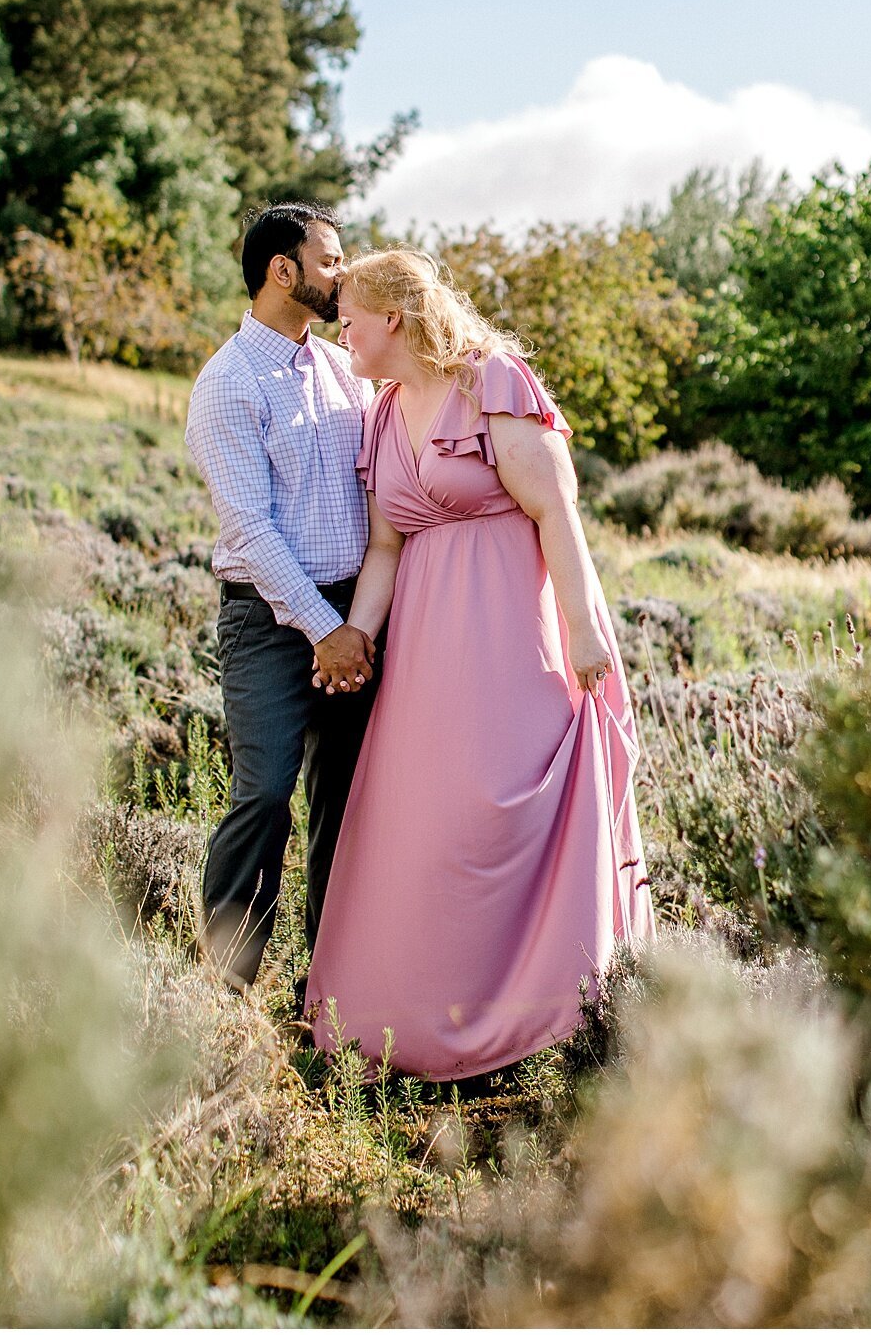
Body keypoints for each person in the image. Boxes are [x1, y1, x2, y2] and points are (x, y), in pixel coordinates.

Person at [304, 248, 657, 1080]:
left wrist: (582, 631)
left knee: (506, 813)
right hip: (426, 652)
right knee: (426, 829)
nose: (340, 329)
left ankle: (537, 1022)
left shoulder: (492, 380)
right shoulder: (384, 412)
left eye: (350, 315)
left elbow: (555, 511)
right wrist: (354, 637)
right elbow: (386, 549)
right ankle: (414, 1023)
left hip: (513, 633)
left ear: (392, 319)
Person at [185, 203, 383, 994]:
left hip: (354, 615)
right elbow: (252, 532)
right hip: (269, 620)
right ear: (283, 270)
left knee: (346, 799)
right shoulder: (228, 384)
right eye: (331, 261)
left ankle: (329, 990)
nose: (345, 275)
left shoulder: (342, 370)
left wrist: (355, 623)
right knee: (265, 794)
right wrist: (326, 630)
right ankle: (223, 994)